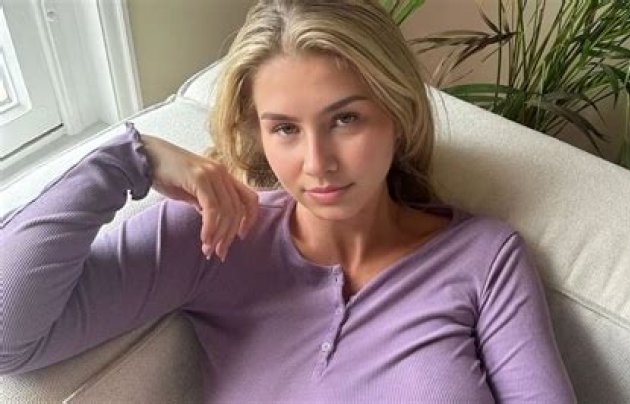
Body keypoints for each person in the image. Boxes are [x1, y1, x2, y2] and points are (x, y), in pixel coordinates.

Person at [0, 0, 575, 402]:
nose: (317, 162)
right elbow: (9, 337)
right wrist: (129, 160)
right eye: (285, 129)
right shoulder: (215, 236)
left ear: (398, 113)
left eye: (345, 119)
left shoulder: (484, 257)